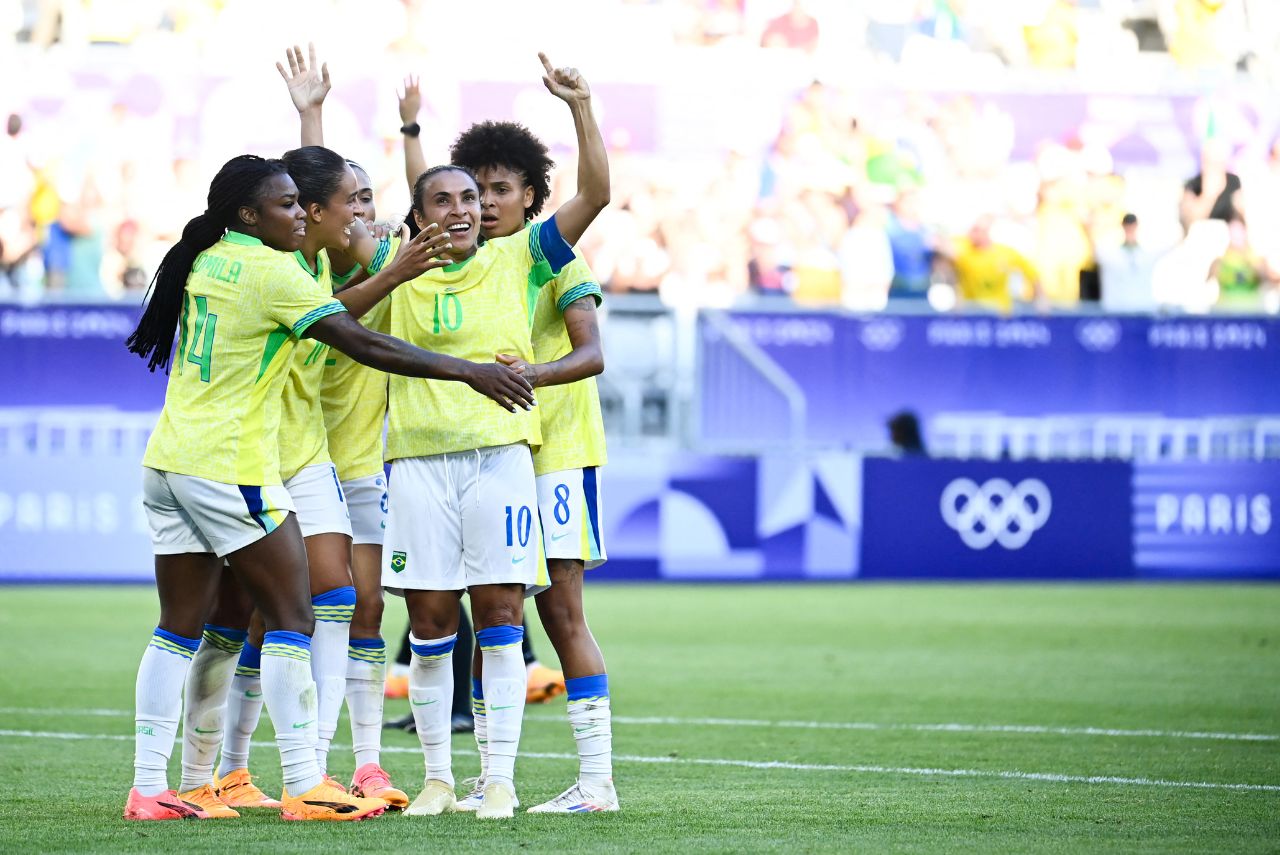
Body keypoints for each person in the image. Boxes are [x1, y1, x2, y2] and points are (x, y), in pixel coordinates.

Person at [122, 154, 529, 821]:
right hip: (232, 467)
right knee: (295, 614)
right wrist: (468, 371)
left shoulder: (208, 257)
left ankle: (152, 787)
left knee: (179, 627)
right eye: (285, 206)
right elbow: (359, 341)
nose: (299, 214)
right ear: (251, 214)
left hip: (168, 461)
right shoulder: (274, 272)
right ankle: (306, 780)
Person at [380, 52, 609, 821]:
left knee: (542, 614)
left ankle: (570, 778)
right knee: (437, 620)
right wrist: (410, 131)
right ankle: (452, 776)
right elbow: (425, 196)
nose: (473, 205)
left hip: (542, 449)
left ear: (521, 200)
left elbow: (596, 196)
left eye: (488, 191)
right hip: (428, 458)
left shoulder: (538, 252)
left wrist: (581, 105)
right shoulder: (407, 260)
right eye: (463, 194)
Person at [945, 214, 1043, 313]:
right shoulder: (964, 250)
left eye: (976, 230)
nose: (971, 233)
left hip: (1000, 313)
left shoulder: (1005, 253)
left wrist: (1040, 300)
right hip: (973, 312)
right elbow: (945, 246)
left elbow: (1032, 274)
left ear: (987, 231)